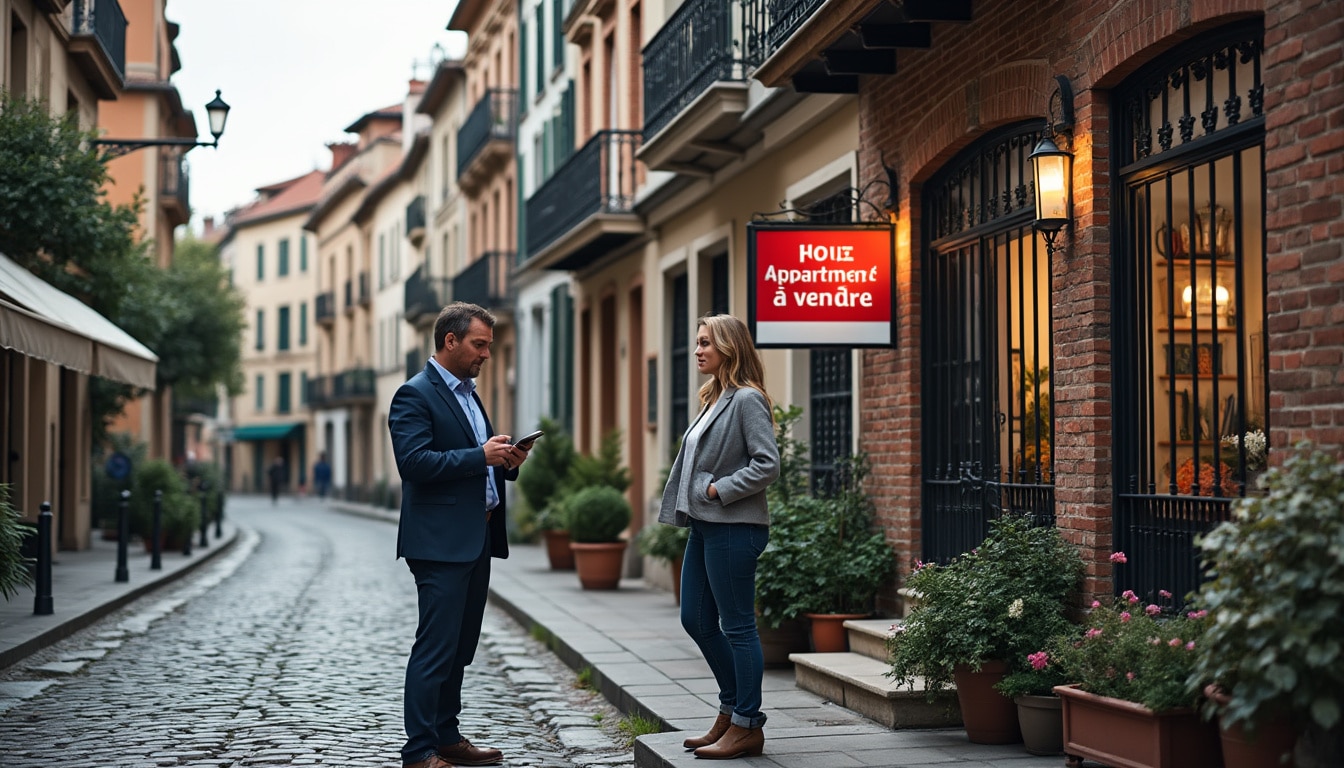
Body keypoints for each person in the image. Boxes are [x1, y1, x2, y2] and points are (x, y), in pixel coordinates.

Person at [388, 302, 529, 768]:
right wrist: (480, 456)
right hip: (439, 543)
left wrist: (505, 461)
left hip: (476, 538)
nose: (486, 354)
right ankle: (419, 751)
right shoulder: (414, 394)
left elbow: (476, 460)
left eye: (488, 345)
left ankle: (447, 736)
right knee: (435, 647)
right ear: (450, 341)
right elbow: (413, 463)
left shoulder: (469, 393)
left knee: (461, 647)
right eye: (479, 344)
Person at [657, 313, 780, 760]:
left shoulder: (747, 399)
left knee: (739, 626)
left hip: (734, 527)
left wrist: (717, 489)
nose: (697, 350)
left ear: (729, 346)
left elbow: (767, 464)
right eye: (697, 342)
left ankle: (747, 724)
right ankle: (732, 711)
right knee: (695, 619)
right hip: (706, 526)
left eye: (706, 342)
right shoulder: (714, 397)